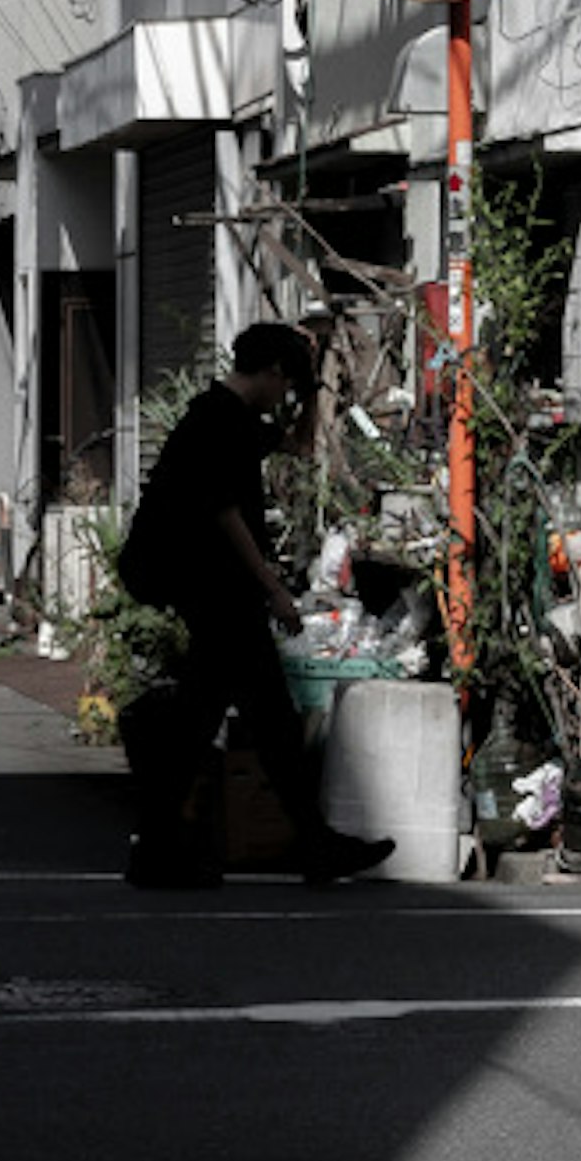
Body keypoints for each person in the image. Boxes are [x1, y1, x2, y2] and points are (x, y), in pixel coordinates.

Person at [113, 323, 394, 889]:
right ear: (269, 373)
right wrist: (273, 589)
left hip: (213, 586)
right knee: (252, 720)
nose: (284, 393)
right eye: (284, 382)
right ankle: (300, 846)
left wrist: (314, 387)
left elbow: (299, 446)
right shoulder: (218, 422)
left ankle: (169, 848)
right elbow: (224, 515)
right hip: (212, 585)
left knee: (238, 718)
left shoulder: (233, 418)